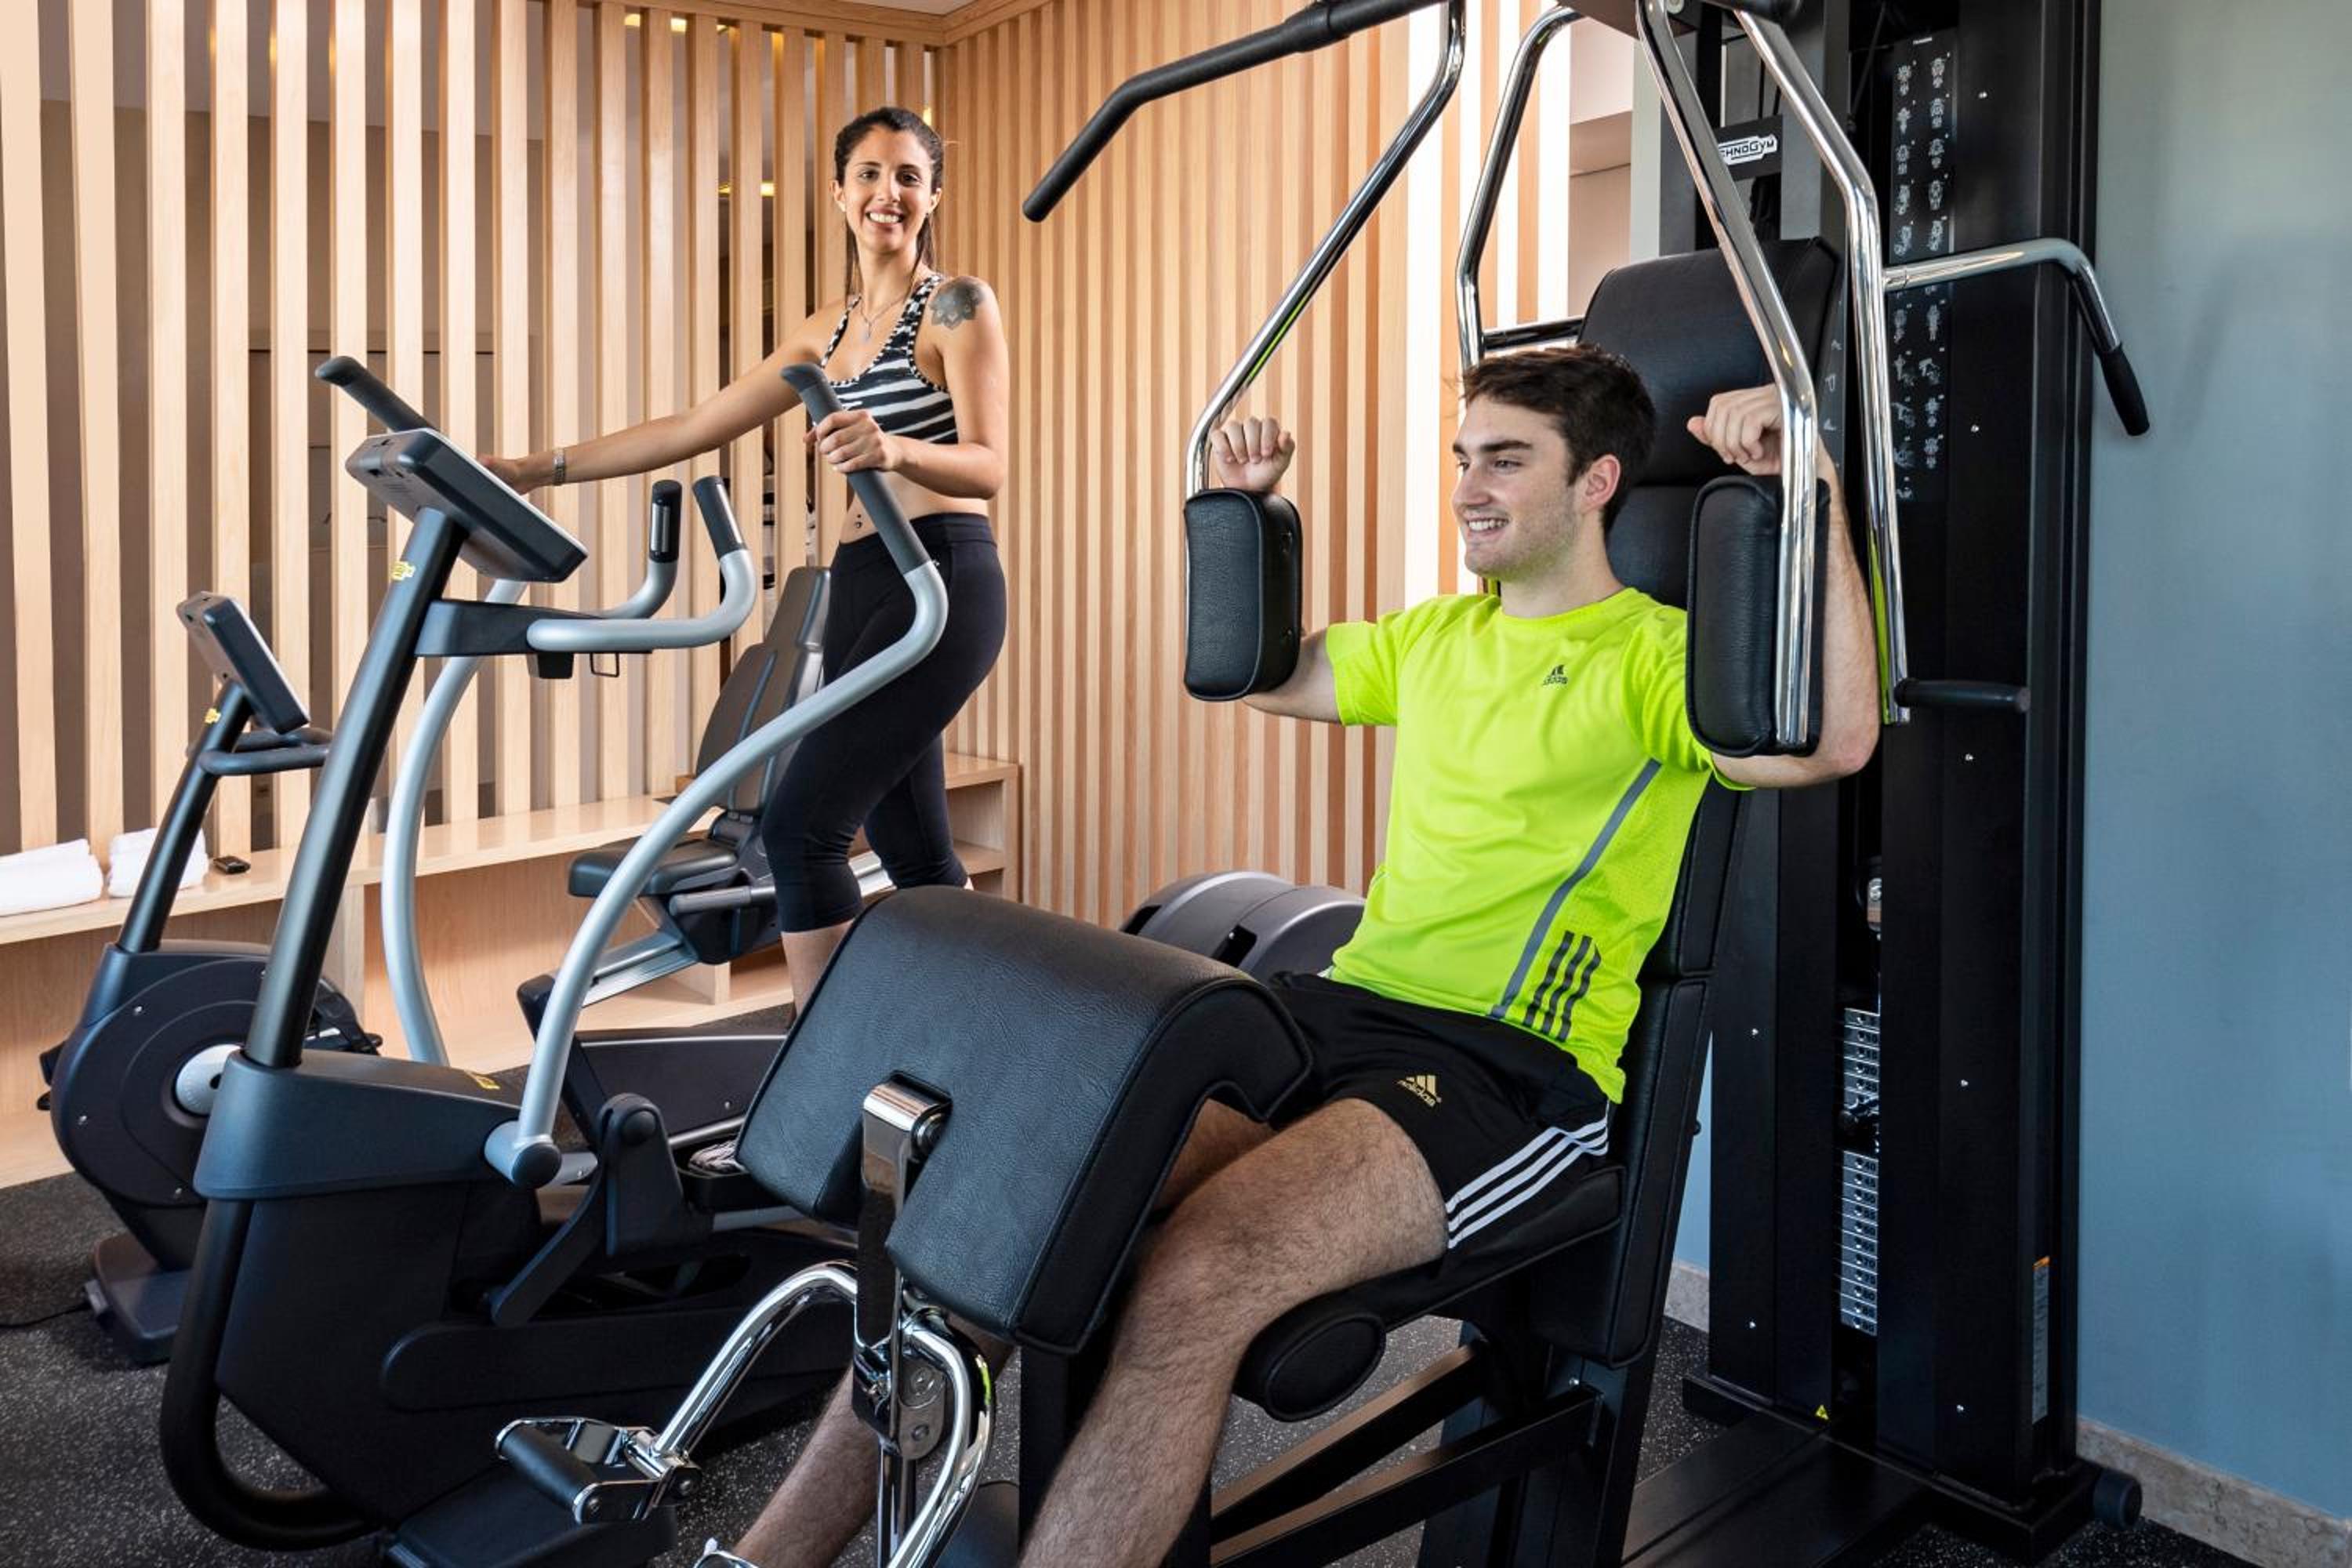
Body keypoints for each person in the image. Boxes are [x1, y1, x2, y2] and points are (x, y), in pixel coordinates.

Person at [702, 347, 1879, 1568]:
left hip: (1503, 1071)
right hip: (1328, 1014)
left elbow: (1836, 740)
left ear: (1597, 483)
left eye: (1506, 461)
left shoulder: (1658, 658)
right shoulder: (1436, 638)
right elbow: (1262, 675)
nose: (1468, 488)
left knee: (1201, 1274)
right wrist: (1246, 516)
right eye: (1463, 458)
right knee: (996, 1202)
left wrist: (1817, 490)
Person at [486, 106, 1010, 1009]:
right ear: (839, 191)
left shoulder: (958, 304)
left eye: (909, 177)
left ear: (933, 195)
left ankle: (822, 1060)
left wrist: (891, 447)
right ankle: (985, 1032)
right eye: (871, 174)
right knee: (916, 850)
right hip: (863, 585)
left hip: (941, 576)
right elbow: (693, 425)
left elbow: (989, 464)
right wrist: (539, 468)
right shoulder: (824, 333)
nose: (888, 193)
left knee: (802, 830)